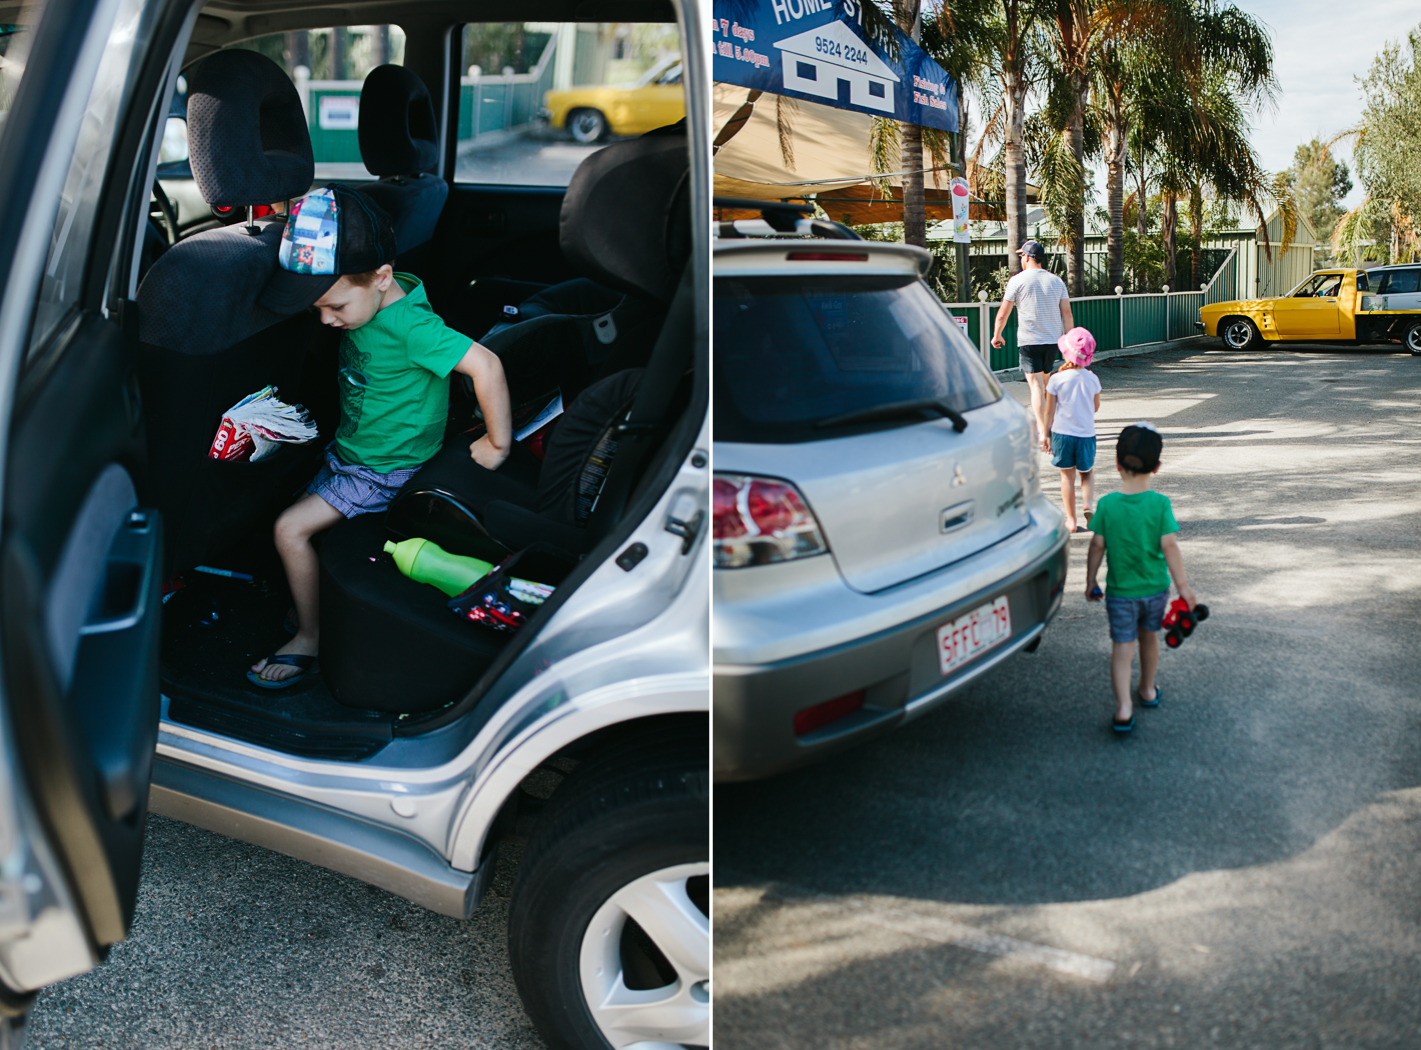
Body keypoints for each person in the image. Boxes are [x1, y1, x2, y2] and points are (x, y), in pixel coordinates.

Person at [248, 186, 512, 688]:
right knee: (300, 518)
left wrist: (498, 444)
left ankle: (311, 635)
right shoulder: (375, 297)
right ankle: (316, 602)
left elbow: (486, 364)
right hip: (355, 454)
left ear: (383, 279)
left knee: (290, 529)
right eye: (316, 310)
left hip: (383, 469)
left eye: (335, 307)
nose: (327, 320)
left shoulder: (409, 325)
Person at [1084, 424, 1198, 734]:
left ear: (1118, 464)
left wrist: (1090, 581)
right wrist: (1183, 586)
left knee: (1123, 647)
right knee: (1149, 637)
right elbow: (1169, 546)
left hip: (1121, 592)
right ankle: (1147, 689)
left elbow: (1096, 546)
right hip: (1155, 590)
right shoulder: (1160, 504)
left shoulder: (1106, 504)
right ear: (1157, 468)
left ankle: (1123, 708)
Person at [990, 240, 1073, 447]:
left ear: (1027, 257)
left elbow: (1003, 313)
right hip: (1052, 341)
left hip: (1029, 341)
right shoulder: (1057, 281)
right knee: (1045, 385)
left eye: (1021, 256)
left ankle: (1042, 431)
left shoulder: (1017, 281)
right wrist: (1070, 343)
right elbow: (1067, 314)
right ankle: (1050, 424)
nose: (1020, 259)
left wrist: (997, 335)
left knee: (1035, 387)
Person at [1043, 327, 1102, 532]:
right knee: (1086, 473)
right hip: (1086, 435)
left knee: (1067, 477)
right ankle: (1088, 504)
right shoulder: (1093, 379)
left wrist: (1045, 434)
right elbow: (1095, 407)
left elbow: (1049, 411)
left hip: (1062, 435)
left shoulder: (1056, 379)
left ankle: (1071, 520)